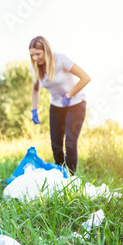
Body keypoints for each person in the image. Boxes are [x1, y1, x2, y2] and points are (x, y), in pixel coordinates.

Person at [29, 36, 91, 174]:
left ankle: (71, 179)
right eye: (32, 55)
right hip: (56, 106)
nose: (35, 58)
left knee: (70, 144)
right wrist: (34, 110)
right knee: (56, 145)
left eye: (38, 54)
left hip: (76, 103)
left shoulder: (60, 59)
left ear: (46, 51)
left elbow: (85, 78)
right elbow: (35, 89)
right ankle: (62, 177)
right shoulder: (35, 68)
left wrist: (69, 94)